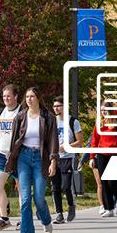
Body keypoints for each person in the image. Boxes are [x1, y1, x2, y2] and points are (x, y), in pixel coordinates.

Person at [5, 87, 59, 233]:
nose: (29, 99)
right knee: (26, 198)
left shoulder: (48, 117)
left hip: (41, 159)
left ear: (38, 98)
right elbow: (14, 141)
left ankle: (46, 220)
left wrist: (53, 161)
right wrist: (12, 162)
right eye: (27, 97)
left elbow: (53, 141)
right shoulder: (20, 117)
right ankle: (28, 231)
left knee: (39, 198)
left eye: (32, 96)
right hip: (24, 158)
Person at [0, 84, 21, 231]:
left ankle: (24, 218)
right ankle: (4, 218)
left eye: (9, 96)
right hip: (1, 154)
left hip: (19, 155)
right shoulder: (0, 112)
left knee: (22, 188)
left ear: (16, 96)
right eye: (4, 96)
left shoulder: (22, 111)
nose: (6, 99)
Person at [89, 102, 117, 218]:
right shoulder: (99, 123)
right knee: (104, 182)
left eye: (105, 110)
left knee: (111, 181)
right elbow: (94, 141)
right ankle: (108, 208)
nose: (103, 112)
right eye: (101, 110)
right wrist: (92, 157)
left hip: (114, 154)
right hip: (101, 155)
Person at [51, 95, 82, 224]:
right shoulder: (52, 122)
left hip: (68, 157)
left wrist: (67, 147)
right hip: (54, 158)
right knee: (55, 187)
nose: (56, 108)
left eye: (58, 106)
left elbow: (79, 141)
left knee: (66, 186)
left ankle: (71, 205)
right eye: (54, 106)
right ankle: (59, 213)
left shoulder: (72, 121)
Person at [78, 134, 105, 214]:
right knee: (100, 184)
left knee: (110, 183)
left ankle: (112, 202)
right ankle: (102, 205)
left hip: (109, 159)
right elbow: (89, 147)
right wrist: (81, 161)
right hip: (96, 159)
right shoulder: (94, 134)